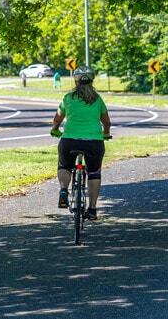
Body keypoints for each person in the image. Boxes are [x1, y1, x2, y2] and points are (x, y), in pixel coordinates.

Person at [50, 66, 112, 220]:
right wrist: (105, 134)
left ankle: (64, 190)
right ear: (92, 81)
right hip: (94, 143)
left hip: (70, 140)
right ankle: (92, 209)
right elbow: (107, 122)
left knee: (64, 166)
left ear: (76, 81)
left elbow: (58, 118)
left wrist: (55, 129)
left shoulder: (68, 98)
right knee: (93, 172)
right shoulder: (97, 99)